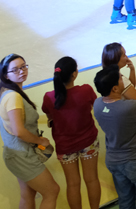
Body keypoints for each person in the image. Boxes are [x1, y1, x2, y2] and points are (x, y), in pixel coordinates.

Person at [92, 65, 136, 209]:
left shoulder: (98, 104)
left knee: (126, 200)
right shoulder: (130, 107)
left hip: (114, 161)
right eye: (120, 79)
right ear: (115, 89)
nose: (123, 80)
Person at [0, 55, 61, 209]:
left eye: (24, 66)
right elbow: (19, 131)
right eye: (15, 69)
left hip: (16, 155)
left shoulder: (7, 91)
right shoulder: (13, 97)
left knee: (28, 195)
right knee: (52, 191)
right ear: (6, 74)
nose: (22, 71)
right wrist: (41, 141)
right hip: (22, 156)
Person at [41, 56, 100, 209]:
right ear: (74, 74)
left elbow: (49, 116)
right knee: (92, 179)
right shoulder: (86, 90)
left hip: (65, 146)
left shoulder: (49, 97)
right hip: (88, 141)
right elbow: (97, 107)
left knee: (72, 184)